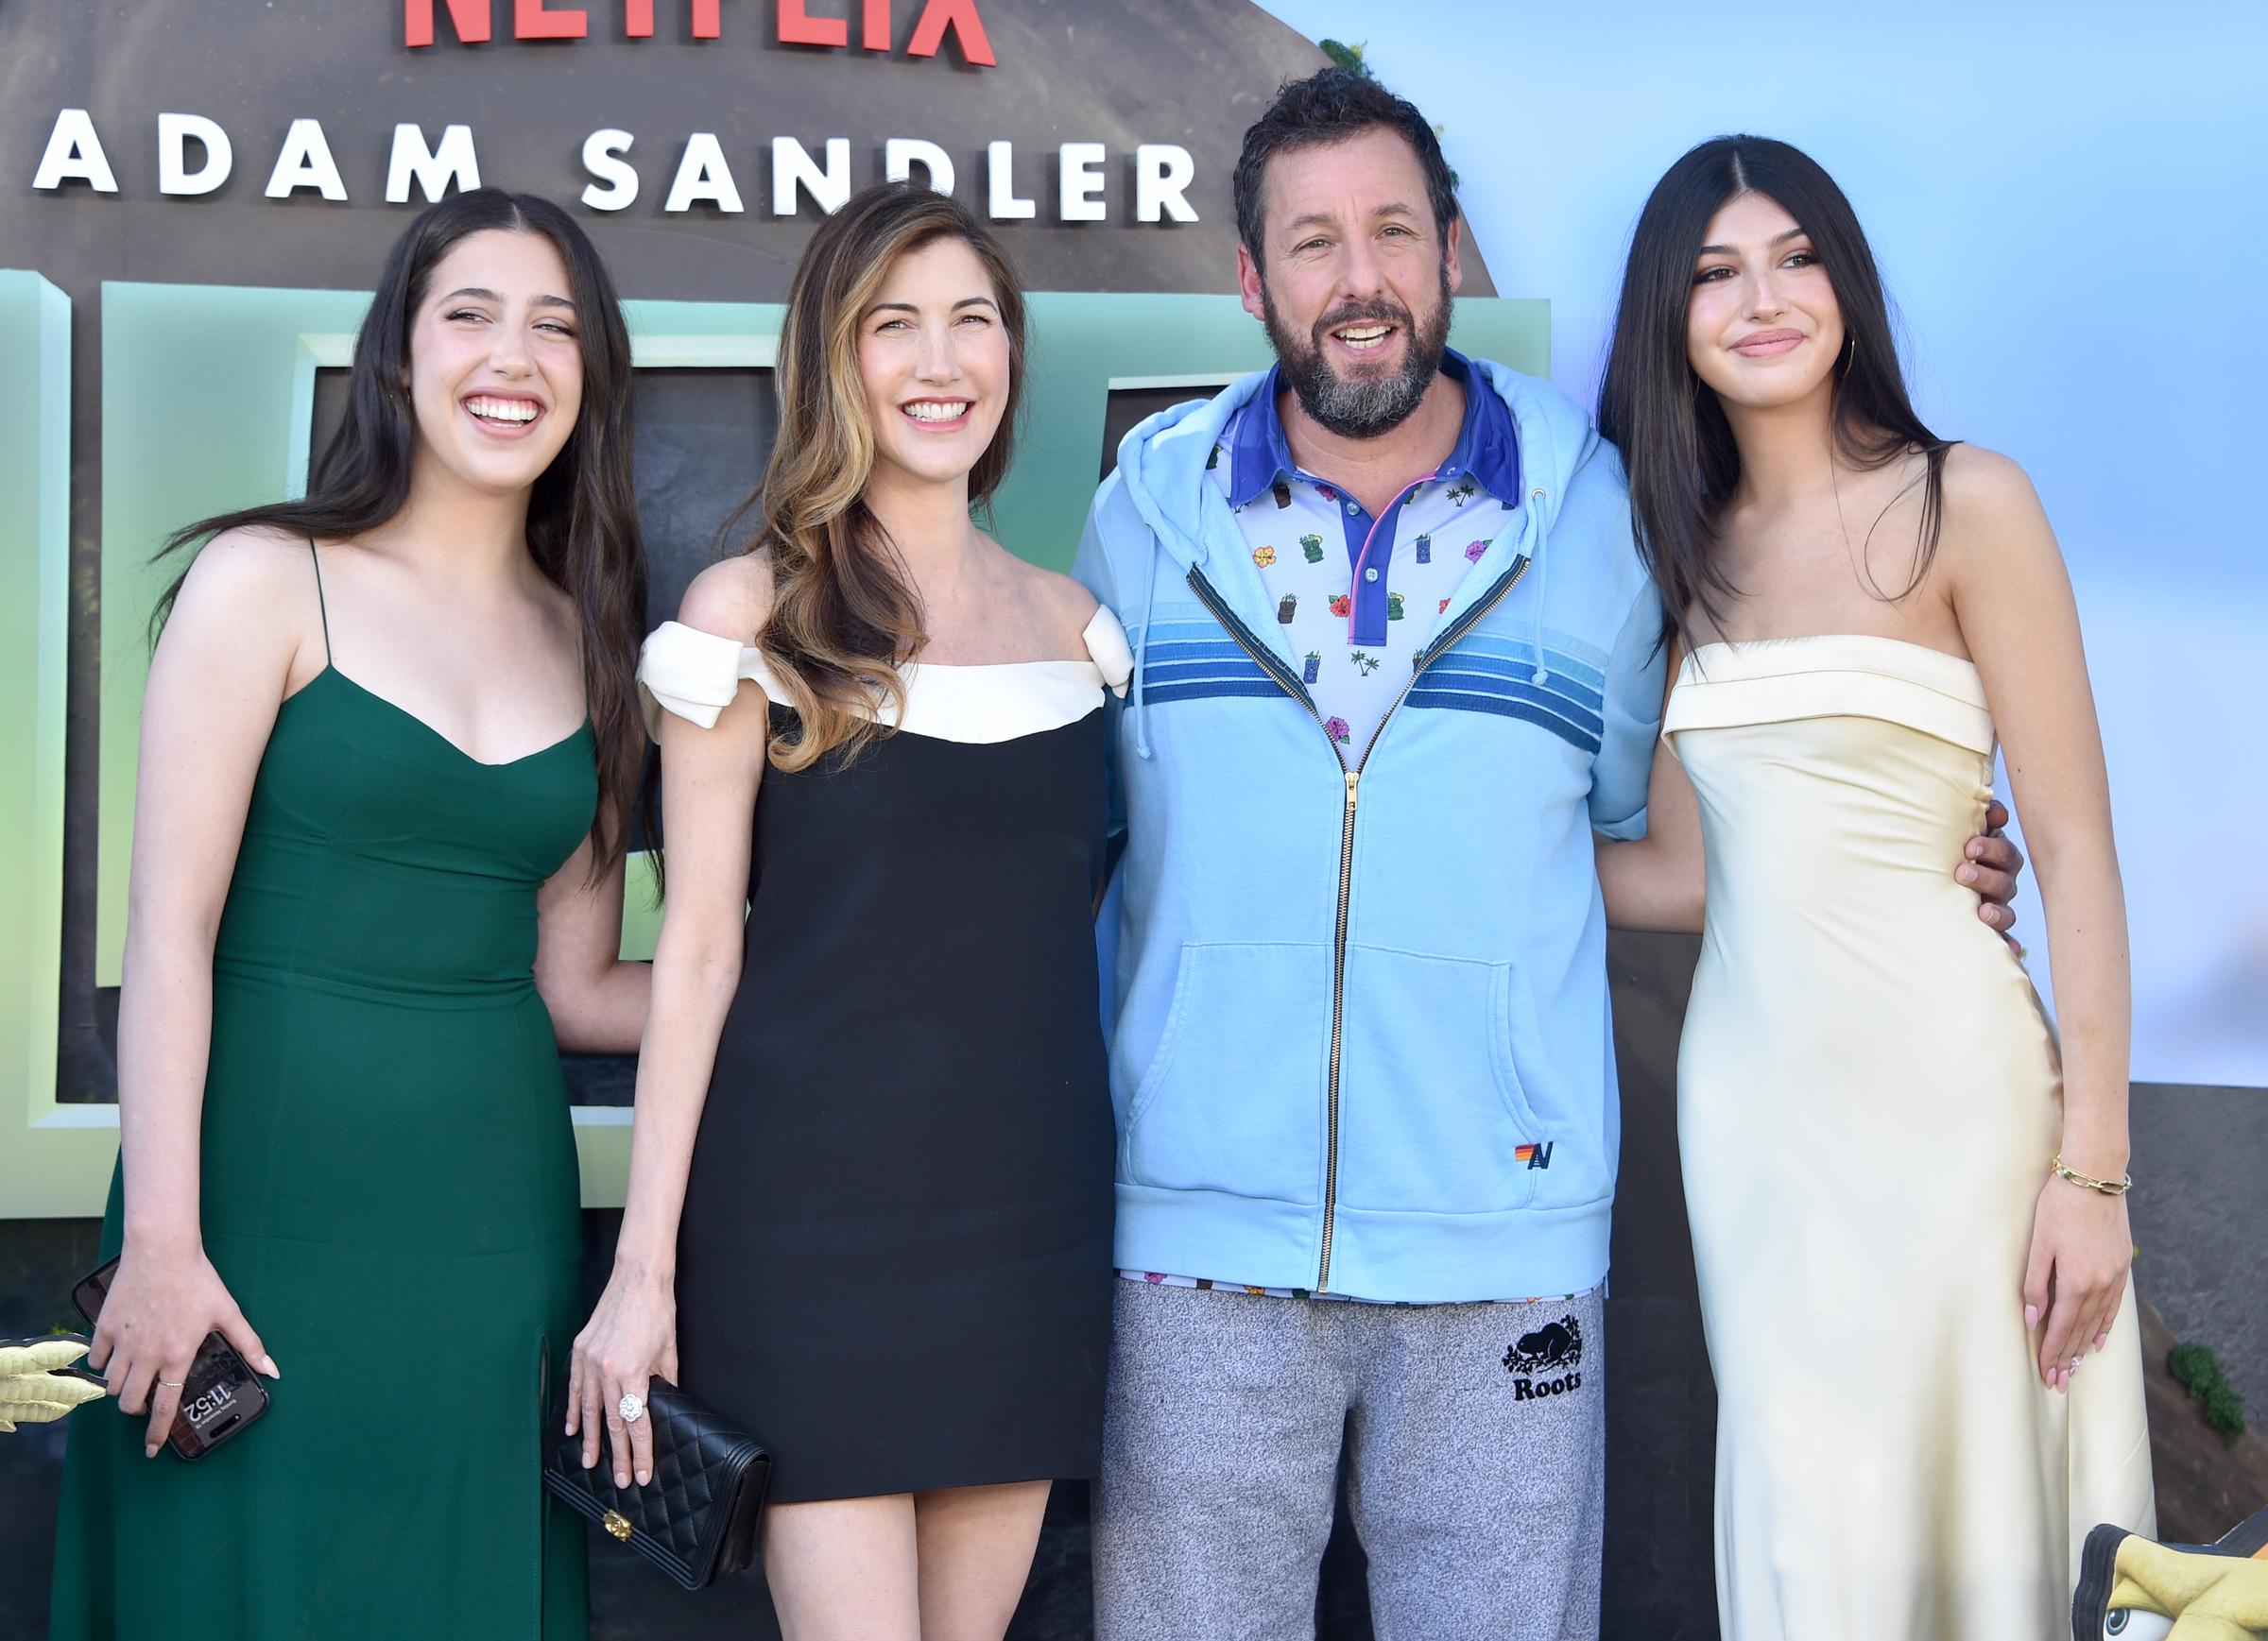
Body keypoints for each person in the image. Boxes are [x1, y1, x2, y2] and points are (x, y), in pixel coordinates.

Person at [1072, 70, 2026, 1641]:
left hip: (1505, 1246)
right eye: (1313, 244)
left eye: (1394, 229)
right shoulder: (1141, 514)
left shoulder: (1605, 516)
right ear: (1252, 281)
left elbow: (1700, 818)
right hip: (1200, 1246)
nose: (1359, 280)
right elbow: (1047, 826)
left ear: (1453, 249)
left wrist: (1921, 854)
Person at [50, 189, 652, 1639]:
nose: (515, 356)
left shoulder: (596, 639)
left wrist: (826, 977)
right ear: (397, 356)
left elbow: (578, 989)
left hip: (489, 1234)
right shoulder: (264, 577)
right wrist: (167, 1245)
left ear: (591, 381)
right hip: (247, 1215)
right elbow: (167, 937)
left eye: (557, 327)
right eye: (473, 313)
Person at [1594, 135, 2153, 1639]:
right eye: (1716, 272)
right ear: (1671, 316)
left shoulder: (1969, 500)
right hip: (1758, 1123)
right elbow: (1679, 875)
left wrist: (2093, 1176)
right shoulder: (1675, 551)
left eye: (1796, 256)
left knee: (1981, 1518)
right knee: (1810, 1520)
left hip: (1963, 1111)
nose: (1763, 298)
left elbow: (2079, 851)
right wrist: (1442, 866)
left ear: (1847, 280)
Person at [569, 182, 1123, 1641]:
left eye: (973, 323)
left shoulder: (1078, 628)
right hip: (808, 1240)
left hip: (1026, 1232)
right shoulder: (744, 616)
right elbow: (696, 956)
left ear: (1011, 355)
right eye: (895, 325)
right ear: (833, 357)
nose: (940, 361)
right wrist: (644, 1269)